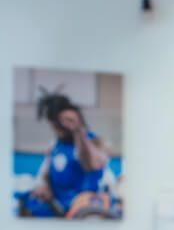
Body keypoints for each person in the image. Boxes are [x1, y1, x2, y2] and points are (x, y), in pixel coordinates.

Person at [18, 92, 120, 220]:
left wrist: (78, 131)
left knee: (88, 217)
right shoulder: (55, 146)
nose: (60, 127)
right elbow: (44, 175)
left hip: (88, 204)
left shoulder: (96, 142)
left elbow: (93, 164)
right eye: (56, 123)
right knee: (28, 205)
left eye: (65, 122)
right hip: (59, 204)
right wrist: (44, 186)